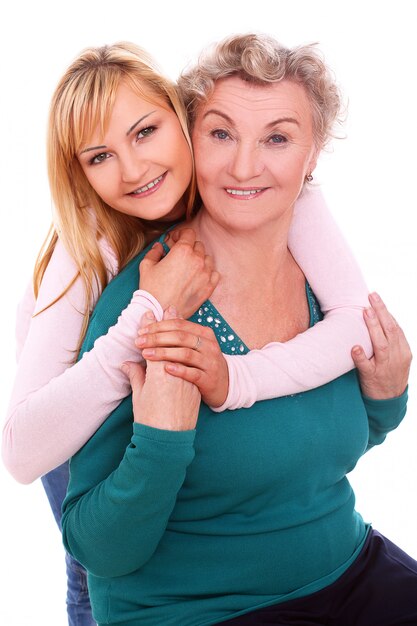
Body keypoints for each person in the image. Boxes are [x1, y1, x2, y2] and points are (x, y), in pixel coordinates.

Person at [2, 40, 376, 624]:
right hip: (70, 419)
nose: (134, 170)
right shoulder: (85, 254)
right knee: (90, 583)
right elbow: (23, 451)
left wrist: (237, 379)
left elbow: (354, 315)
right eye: (99, 157)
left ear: (185, 120)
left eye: (145, 132)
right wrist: (147, 307)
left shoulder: (245, 179)